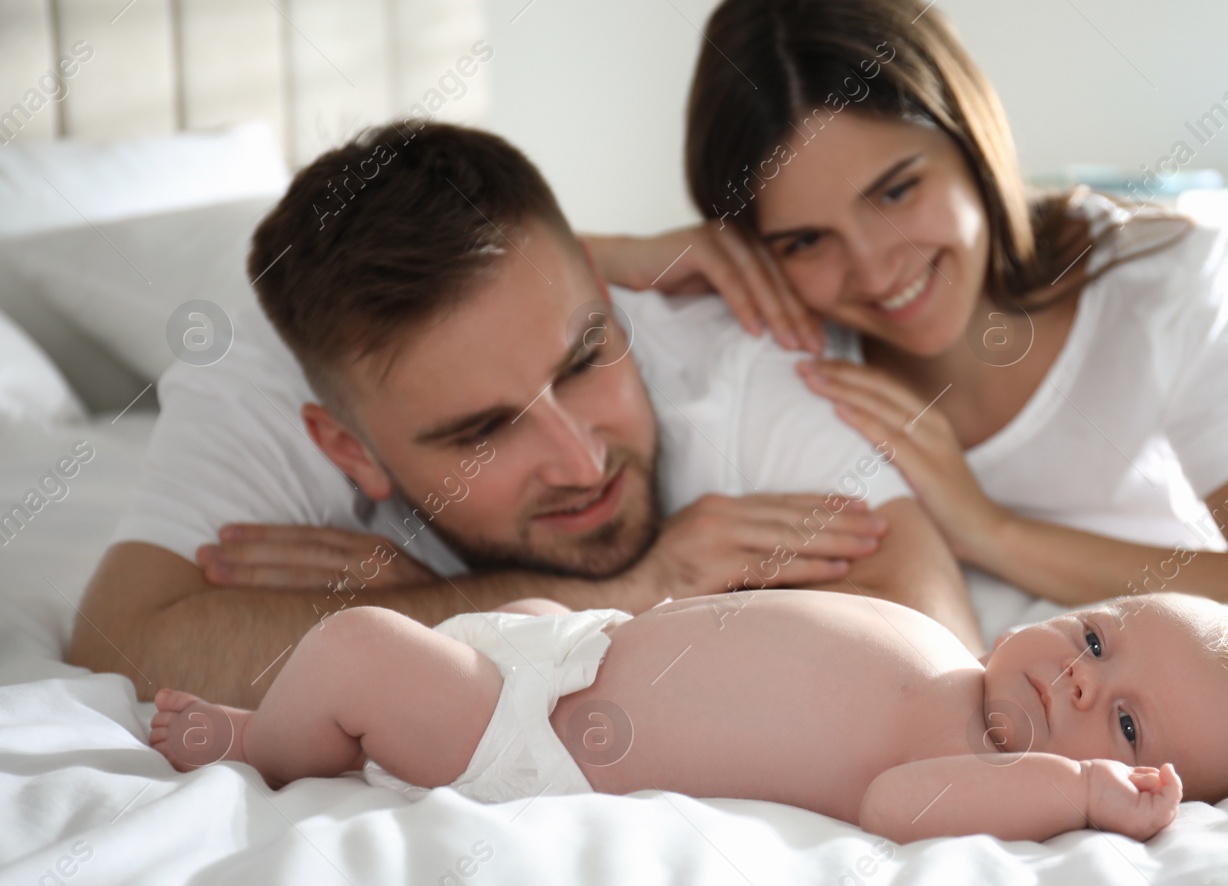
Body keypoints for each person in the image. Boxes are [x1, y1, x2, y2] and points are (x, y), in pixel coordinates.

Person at [68, 122, 981, 708]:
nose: (582, 463)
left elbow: (933, 671)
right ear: (350, 451)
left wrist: (420, 620)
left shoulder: (742, 362)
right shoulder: (258, 383)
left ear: (599, 281)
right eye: (482, 430)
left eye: (586, 361)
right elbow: (123, 643)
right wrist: (622, 594)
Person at [584, 0, 1228, 643]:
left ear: (971, 141)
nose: (874, 268)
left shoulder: (1154, 290)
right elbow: (477, 292)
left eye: (896, 190)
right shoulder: (771, 324)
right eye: (805, 239)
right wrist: (617, 253)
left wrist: (990, 529)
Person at [146, 588, 1228, 845]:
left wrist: (1076, 793)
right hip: (566, 645)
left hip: (534, 740)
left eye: (1123, 725)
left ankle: (264, 743)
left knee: (355, 647)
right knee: (380, 645)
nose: (1076, 677)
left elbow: (893, 805)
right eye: (1098, 637)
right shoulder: (953, 656)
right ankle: (288, 716)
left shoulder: (966, 756)